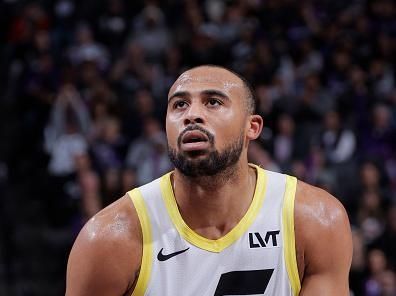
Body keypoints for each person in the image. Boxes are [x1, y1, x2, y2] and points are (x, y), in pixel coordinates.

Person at [66, 65, 352, 295]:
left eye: (213, 102)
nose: (192, 115)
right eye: (179, 105)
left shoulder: (315, 221)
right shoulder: (109, 239)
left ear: (251, 127)